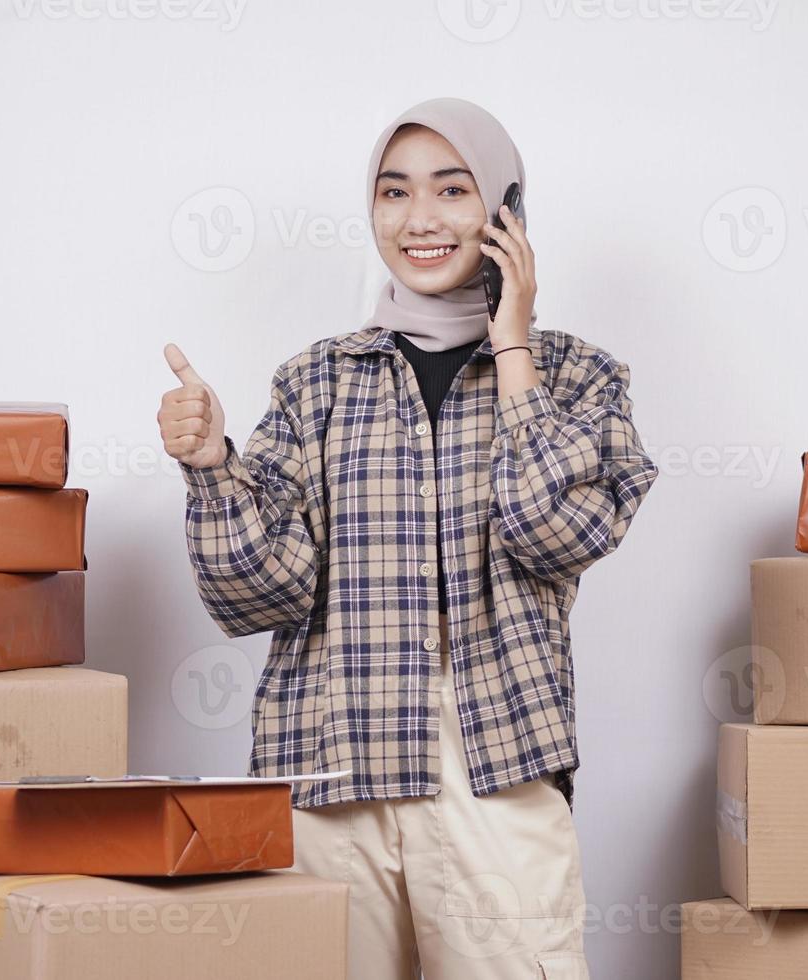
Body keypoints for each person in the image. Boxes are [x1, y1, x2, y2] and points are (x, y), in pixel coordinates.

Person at [157, 96, 657, 980]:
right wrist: (212, 465)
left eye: (451, 190)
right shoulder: (316, 382)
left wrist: (514, 350)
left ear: (506, 213)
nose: (419, 220)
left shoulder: (580, 378)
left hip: (495, 776)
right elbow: (254, 596)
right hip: (330, 775)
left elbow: (551, 533)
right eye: (393, 193)